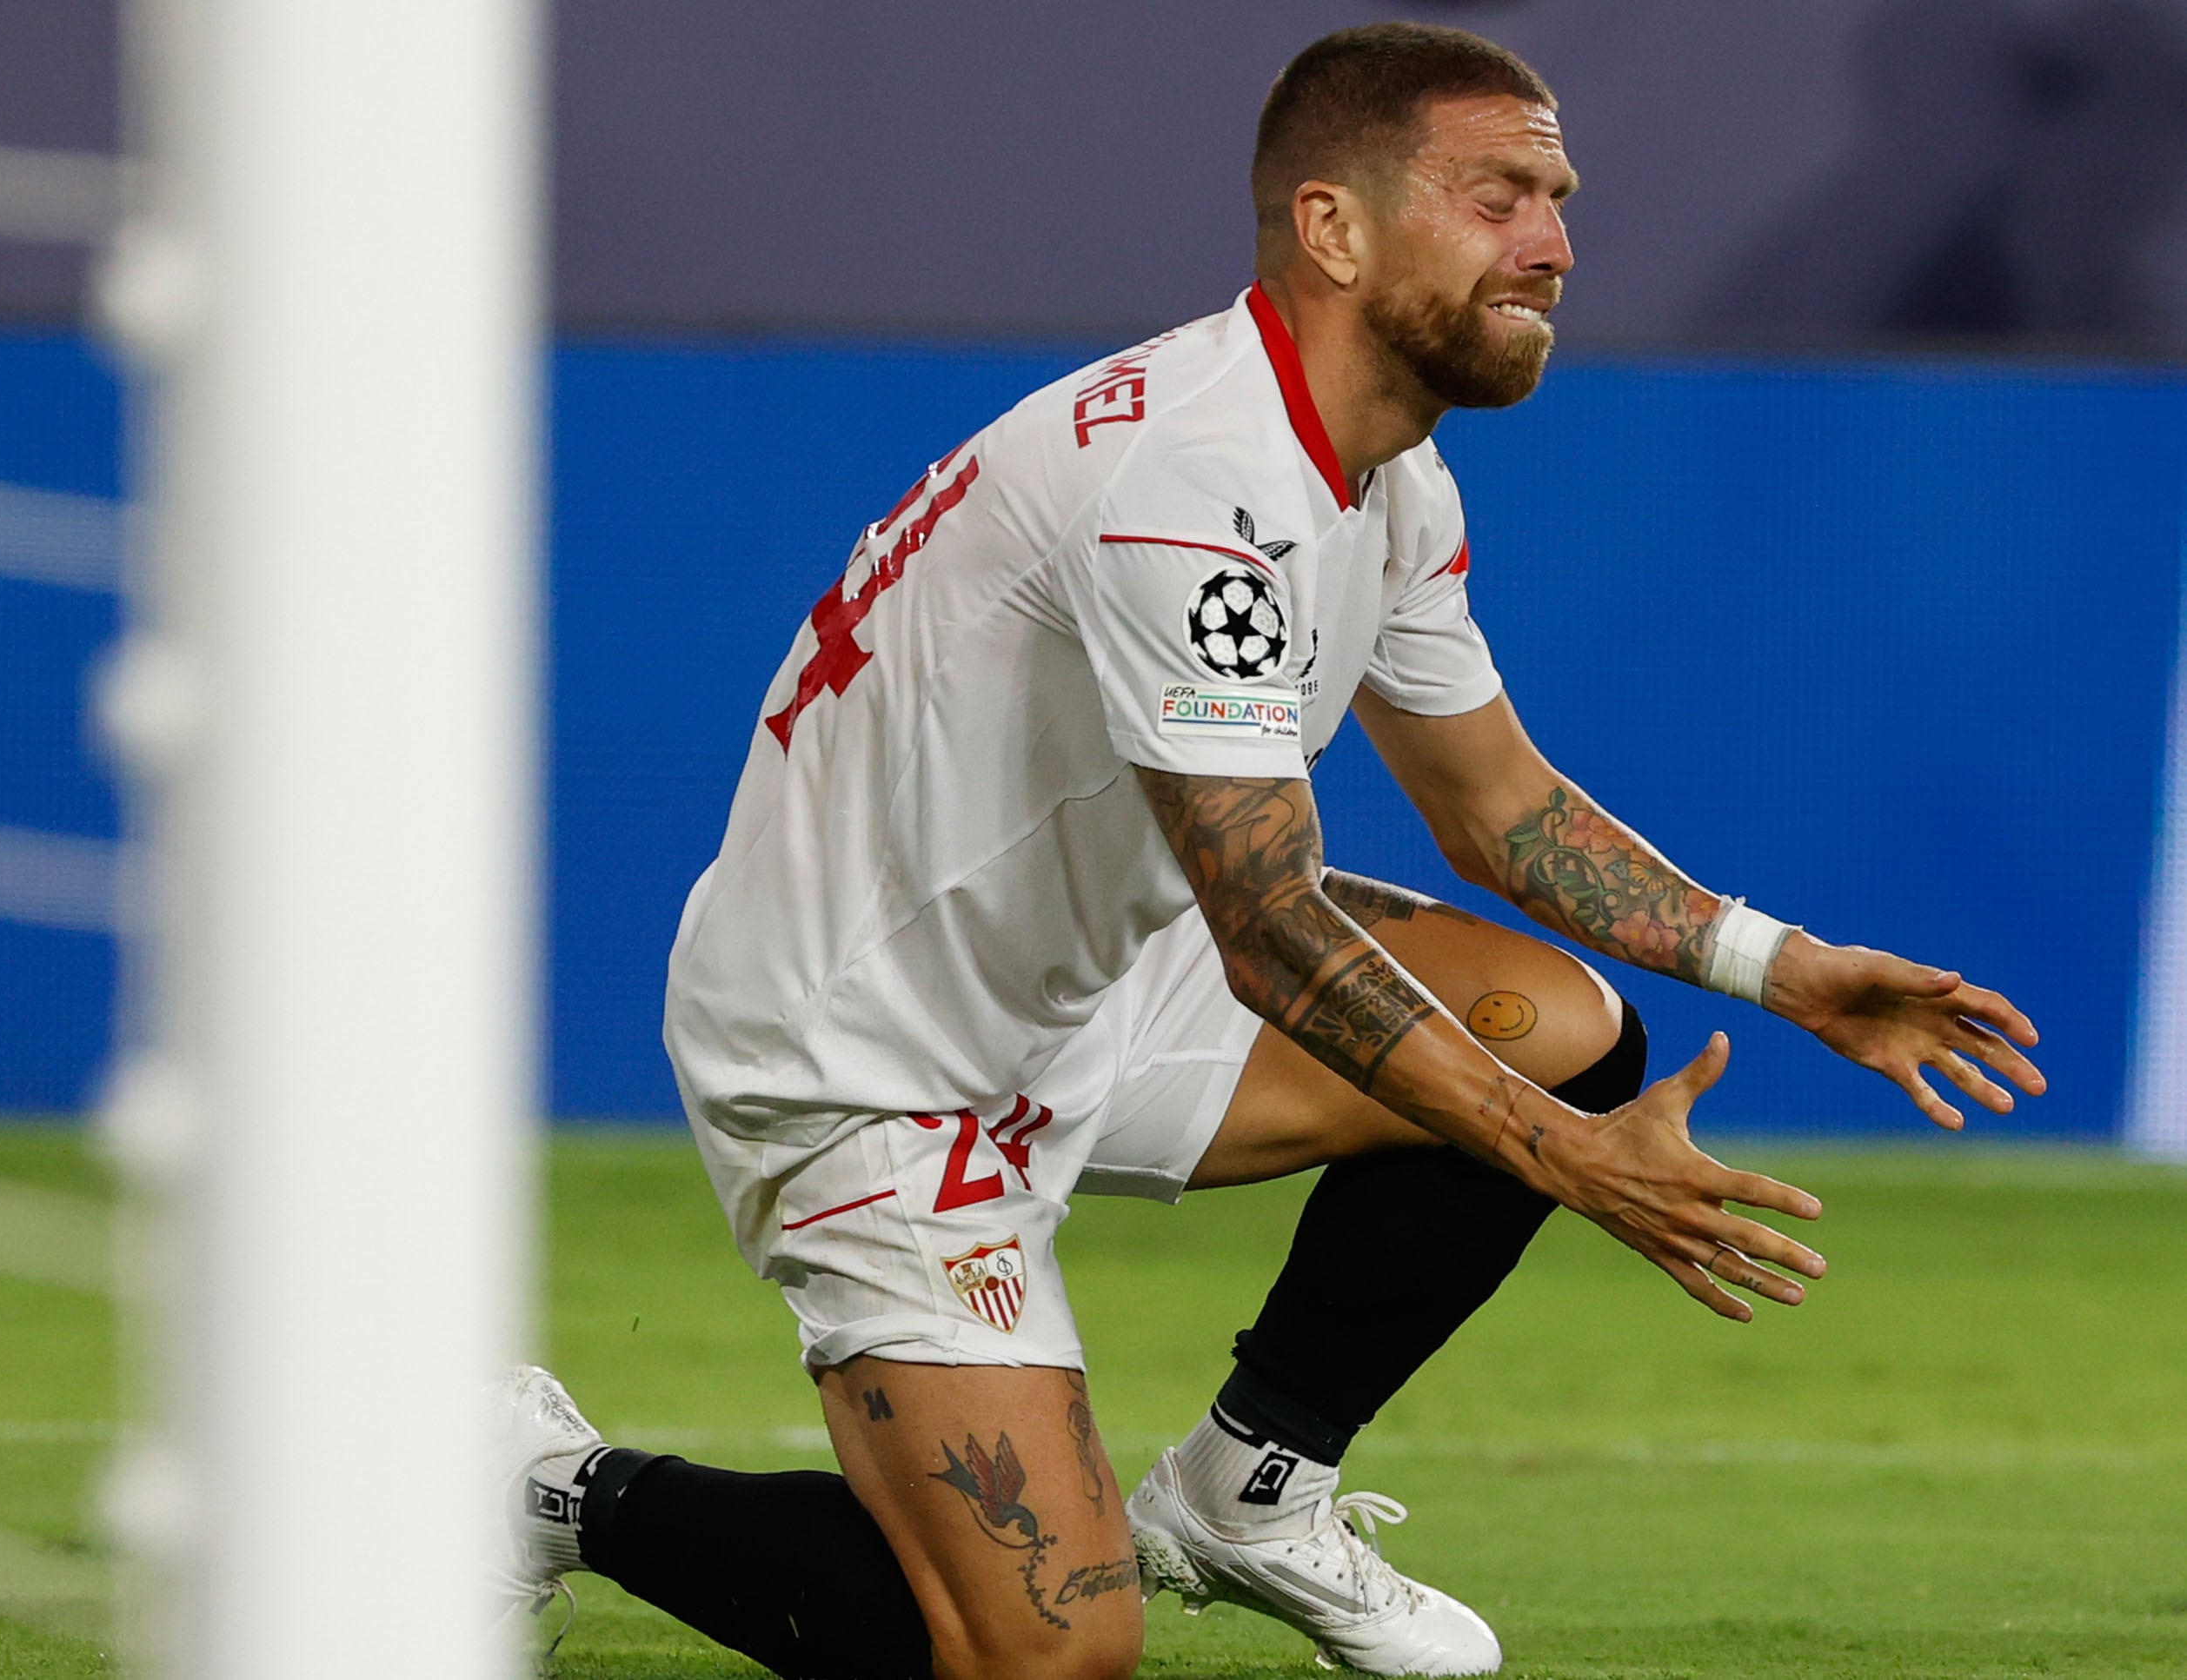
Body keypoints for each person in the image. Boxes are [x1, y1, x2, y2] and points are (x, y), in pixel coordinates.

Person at [499, 23, 2046, 1680]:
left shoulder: (1387, 478)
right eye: (1498, 195)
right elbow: (1273, 930)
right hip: (869, 1049)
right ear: (1335, 229)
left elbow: (1496, 808)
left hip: (1093, 973)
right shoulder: (1194, 484)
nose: (1554, 240)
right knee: (1041, 1656)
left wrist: (1785, 968)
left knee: (1569, 1027)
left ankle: (1249, 1490)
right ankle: (538, 1480)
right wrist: (1561, 1159)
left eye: (1560, 196)